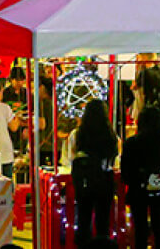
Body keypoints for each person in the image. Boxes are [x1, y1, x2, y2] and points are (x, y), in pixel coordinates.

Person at [121, 106, 160, 249]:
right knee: (159, 226)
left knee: (140, 227)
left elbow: (125, 171)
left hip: (137, 191)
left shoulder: (131, 143)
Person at [67, 99, 118, 245]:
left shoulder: (77, 135)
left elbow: (71, 158)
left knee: (83, 219)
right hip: (104, 179)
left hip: (84, 179)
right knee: (103, 221)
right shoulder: (110, 135)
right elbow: (113, 160)